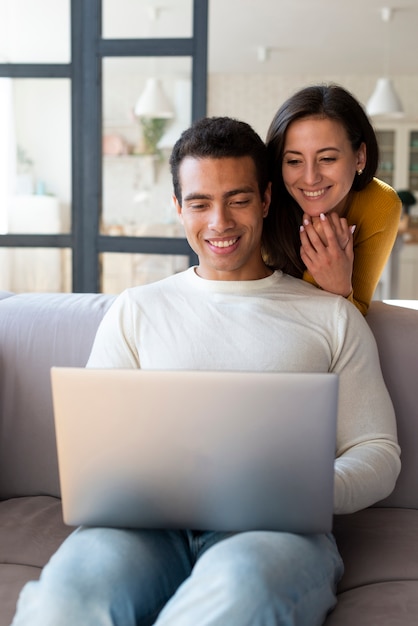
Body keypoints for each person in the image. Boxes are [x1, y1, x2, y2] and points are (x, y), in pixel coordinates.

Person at [11, 116, 400, 626]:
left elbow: (378, 451)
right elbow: (94, 447)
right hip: (142, 527)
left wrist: (311, 487)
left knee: (241, 597)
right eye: (199, 203)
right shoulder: (136, 310)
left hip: (274, 531)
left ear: (265, 199)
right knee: (66, 604)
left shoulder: (331, 314)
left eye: (238, 200)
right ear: (178, 208)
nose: (219, 222)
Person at [264, 83, 402, 315]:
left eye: (327, 158)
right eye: (294, 161)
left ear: (360, 157)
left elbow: (357, 318)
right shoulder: (264, 201)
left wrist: (338, 287)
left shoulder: (381, 204)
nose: (310, 178)